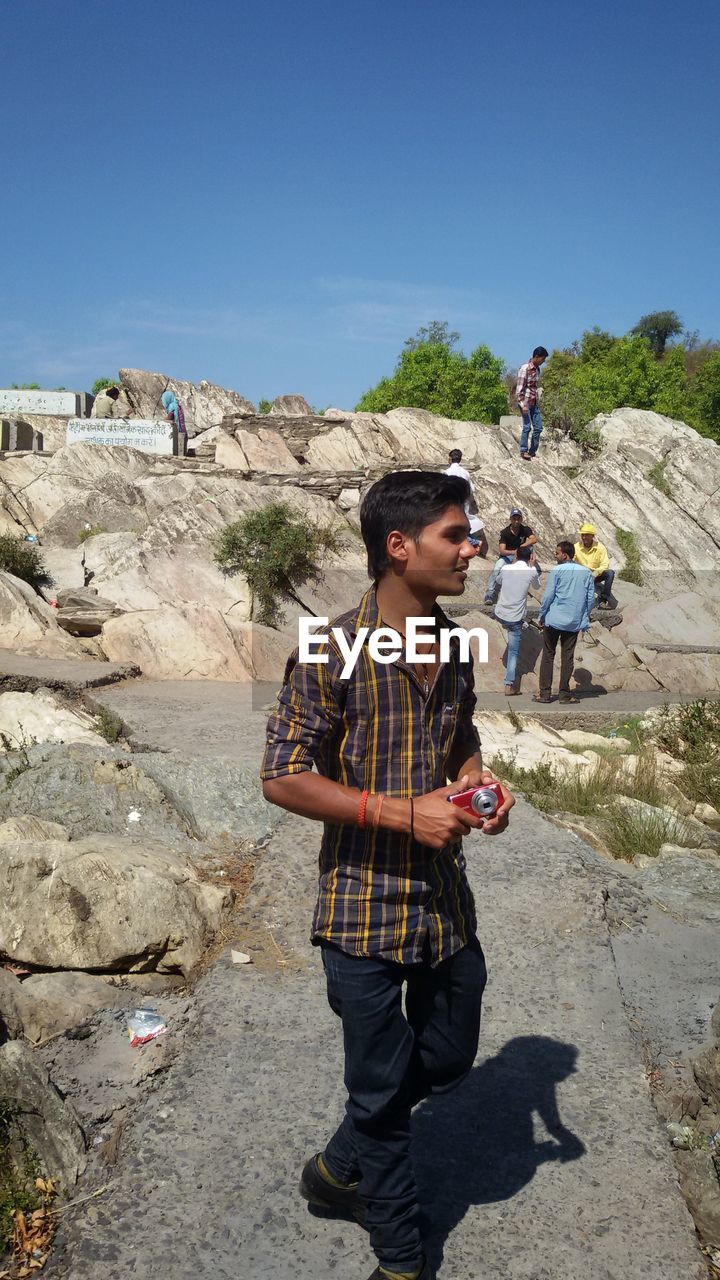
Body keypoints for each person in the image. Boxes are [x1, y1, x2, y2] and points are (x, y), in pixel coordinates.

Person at [261, 470, 515, 1280]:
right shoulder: (327, 647)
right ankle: (401, 1258)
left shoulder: (454, 641)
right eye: (457, 535)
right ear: (398, 548)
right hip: (361, 911)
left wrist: (480, 786)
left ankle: (338, 1167)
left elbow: (461, 734)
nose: (473, 547)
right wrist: (404, 813)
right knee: (381, 1095)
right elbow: (281, 775)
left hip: (444, 906)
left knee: (445, 1060)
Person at [534, 540, 595, 704]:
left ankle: (545, 694)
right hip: (573, 622)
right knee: (567, 657)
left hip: (553, 619)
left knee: (548, 655)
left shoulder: (558, 570)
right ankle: (564, 695)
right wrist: (583, 617)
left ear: (564, 555)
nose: (555, 556)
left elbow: (548, 596)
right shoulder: (586, 572)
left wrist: (542, 615)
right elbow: (590, 599)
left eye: (556, 553)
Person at [494, 544, 540, 695]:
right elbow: (537, 587)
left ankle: (524, 624)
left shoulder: (506, 568)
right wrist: (532, 567)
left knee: (516, 626)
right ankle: (509, 685)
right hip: (514, 619)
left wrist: (512, 565)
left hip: (500, 614)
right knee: (513, 651)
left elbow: (499, 581)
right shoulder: (531, 571)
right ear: (530, 558)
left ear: (516, 556)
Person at [484, 507, 538, 604]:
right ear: (510, 519)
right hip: (507, 557)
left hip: (520, 557)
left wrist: (522, 546)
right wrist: (516, 552)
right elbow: (502, 550)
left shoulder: (525, 529)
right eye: (514, 519)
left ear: (521, 519)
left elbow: (533, 539)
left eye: (518, 519)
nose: (516, 521)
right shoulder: (505, 532)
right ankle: (489, 594)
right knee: (497, 568)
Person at [445, 450, 487, 556]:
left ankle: (475, 542)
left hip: (453, 503)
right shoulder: (465, 472)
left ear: (450, 459)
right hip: (464, 502)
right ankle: (473, 543)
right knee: (463, 525)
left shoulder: (447, 472)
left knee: (454, 526)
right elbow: (472, 488)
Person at [516, 346, 548, 460]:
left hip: (534, 403)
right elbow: (520, 389)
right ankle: (523, 451)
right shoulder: (525, 369)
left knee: (538, 428)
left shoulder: (537, 369)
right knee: (527, 426)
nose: (543, 362)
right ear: (536, 357)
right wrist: (523, 404)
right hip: (525, 403)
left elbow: (534, 388)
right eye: (542, 359)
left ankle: (532, 451)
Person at [574, 523, 615, 610]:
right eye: (583, 535)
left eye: (587, 535)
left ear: (592, 536)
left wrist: (594, 574)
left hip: (595, 575)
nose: (584, 537)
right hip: (581, 575)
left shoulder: (600, 547)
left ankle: (603, 600)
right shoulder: (576, 547)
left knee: (610, 573)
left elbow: (604, 565)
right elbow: (570, 561)